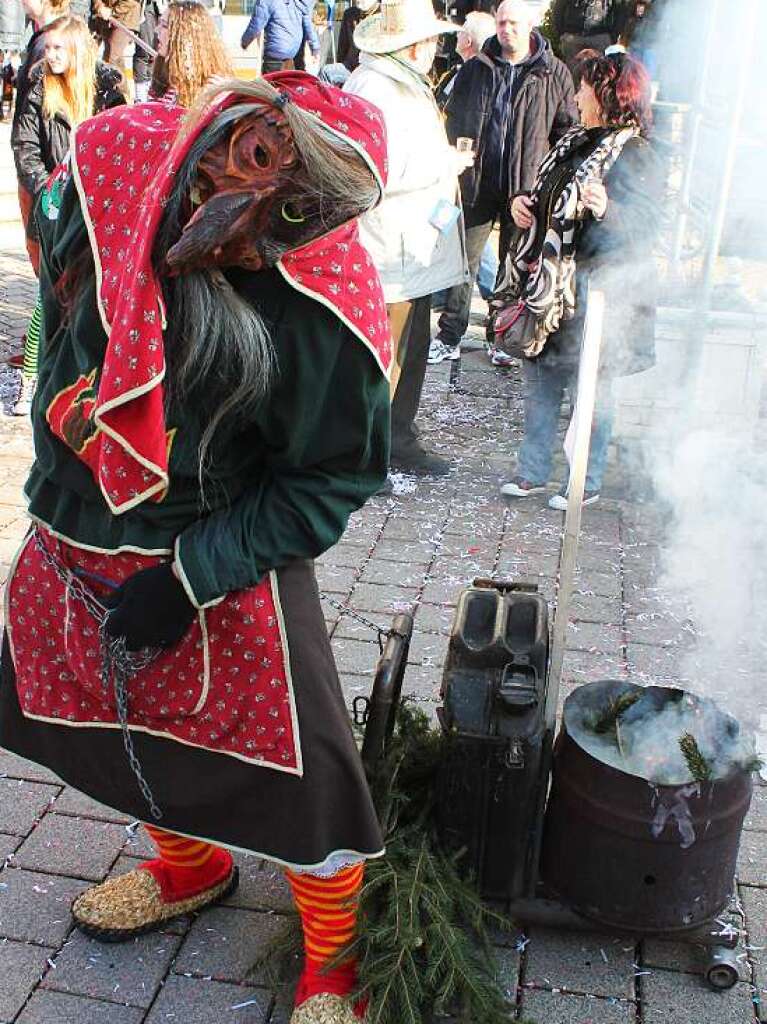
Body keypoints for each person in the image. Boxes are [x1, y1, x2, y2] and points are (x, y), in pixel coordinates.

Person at [0, 72, 392, 1024]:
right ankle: (189, 867)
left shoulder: (318, 304)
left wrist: (190, 579)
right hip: (75, 521)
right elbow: (59, 289)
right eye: (251, 159)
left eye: (295, 210)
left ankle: (334, 957)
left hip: (215, 547)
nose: (245, 222)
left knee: (304, 772)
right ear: (226, 123)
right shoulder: (117, 168)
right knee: (117, 719)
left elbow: (328, 476)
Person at [497, 52, 659, 508]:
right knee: (542, 378)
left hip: (601, 288)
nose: (574, 94)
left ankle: (585, 480)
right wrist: (522, 205)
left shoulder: (635, 152)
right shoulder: (575, 141)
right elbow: (548, 201)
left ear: (608, 93)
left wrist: (608, 208)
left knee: (592, 389)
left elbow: (646, 228)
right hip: (554, 288)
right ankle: (532, 472)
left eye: (583, 87)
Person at [345, 0, 470, 478]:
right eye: (430, 40)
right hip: (387, 247)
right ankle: (365, 457)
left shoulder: (401, 81)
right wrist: (444, 164)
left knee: (410, 349)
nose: (436, 48)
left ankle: (398, 440)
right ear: (412, 45)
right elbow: (376, 168)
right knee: (384, 358)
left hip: (410, 247)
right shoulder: (377, 87)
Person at [431, 0, 578, 366]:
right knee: (463, 259)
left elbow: (565, 133)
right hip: (478, 181)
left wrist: (548, 181)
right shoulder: (477, 68)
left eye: (513, 23)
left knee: (512, 266)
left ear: (529, 24)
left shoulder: (553, 72)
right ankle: (450, 335)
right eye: (500, 23)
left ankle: (501, 338)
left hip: (524, 189)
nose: (506, 29)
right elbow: (454, 121)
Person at [11, 14, 124, 415]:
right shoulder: (38, 86)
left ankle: (90, 376)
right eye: (47, 48)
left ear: (76, 50)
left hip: (94, 207)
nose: (50, 55)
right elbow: (24, 147)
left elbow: (120, 143)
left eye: (58, 48)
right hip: (52, 203)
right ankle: (34, 380)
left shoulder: (107, 90)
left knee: (92, 293)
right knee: (50, 295)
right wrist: (48, 190)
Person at [150, 0, 233, 108]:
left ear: (185, 35)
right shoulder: (163, 72)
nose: (157, 30)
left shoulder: (213, 87)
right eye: (159, 24)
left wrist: (221, 101)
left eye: (164, 26)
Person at [240, 0, 319, 74]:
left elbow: (255, 25)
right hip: (294, 52)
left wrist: (244, 42)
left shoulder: (266, 1)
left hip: (276, 52)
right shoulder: (298, 2)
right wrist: (315, 48)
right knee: (290, 83)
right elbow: (308, 24)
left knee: (270, 84)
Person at [550, 0, 633, 66]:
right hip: (573, 38)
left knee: (599, 73)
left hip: (600, 38)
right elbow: (559, 8)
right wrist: (562, 34)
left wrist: (612, 36)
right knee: (572, 76)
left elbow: (622, 10)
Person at [318, 0, 378, 87]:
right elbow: (342, 48)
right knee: (326, 72)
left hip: (372, 69)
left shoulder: (384, 14)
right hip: (351, 67)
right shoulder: (350, 14)